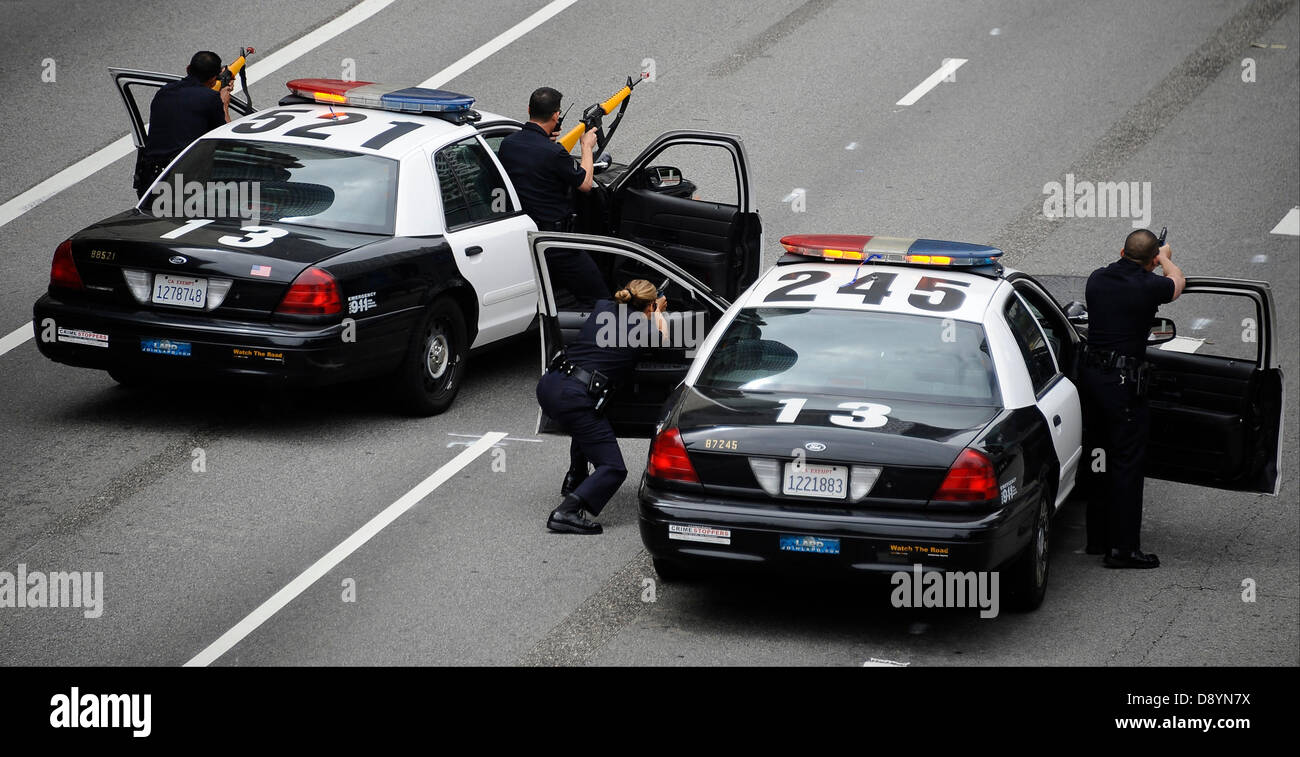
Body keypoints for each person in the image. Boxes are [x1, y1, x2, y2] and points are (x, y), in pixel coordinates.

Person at [1080, 228, 1185, 569]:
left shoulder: (1096, 279)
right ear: (1151, 260)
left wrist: (1152, 258)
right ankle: (1123, 548)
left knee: (1098, 458)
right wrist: (1166, 259)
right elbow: (1176, 283)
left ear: (1121, 251)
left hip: (1092, 380)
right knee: (1126, 464)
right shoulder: (1149, 285)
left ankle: (1096, 538)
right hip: (1124, 384)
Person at [536, 280, 668, 534]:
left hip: (550, 386)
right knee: (614, 468)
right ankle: (567, 511)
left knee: (589, 423)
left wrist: (649, 308)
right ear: (649, 305)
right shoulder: (644, 328)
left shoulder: (603, 308)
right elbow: (664, 338)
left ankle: (575, 477)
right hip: (574, 398)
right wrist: (658, 312)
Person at [496, 86, 607, 308]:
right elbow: (585, 183)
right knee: (600, 299)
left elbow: (534, 167)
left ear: (529, 109)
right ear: (556, 115)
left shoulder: (508, 145)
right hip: (557, 241)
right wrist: (586, 147)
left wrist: (550, 141)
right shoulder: (553, 153)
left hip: (522, 234)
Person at [133, 51, 233, 198]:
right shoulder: (211, 99)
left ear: (188, 69)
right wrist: (223, 104)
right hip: (184, 181)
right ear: (213, 79)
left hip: (151, 179)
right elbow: (225, 138)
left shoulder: (164, 91)